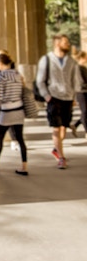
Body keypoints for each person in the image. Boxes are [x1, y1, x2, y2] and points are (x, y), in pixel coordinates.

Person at [36, 34, 81, 168]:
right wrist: (46, 96)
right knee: (56, 128)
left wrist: (74, 96)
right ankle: (61, 157)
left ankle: (57, 149)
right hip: (53, 98)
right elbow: (40, 80)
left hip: (67, 98)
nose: (68, 45)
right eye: (65, 42)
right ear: (57, 44)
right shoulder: (46, 59)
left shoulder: (71, 61)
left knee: (63, 128)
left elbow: (75, 80)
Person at [0, 52, 28, 175]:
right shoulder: (18, 74)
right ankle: (24, 166)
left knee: (0, 137)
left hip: (7, 112)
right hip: (19, 110)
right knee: (20, 139)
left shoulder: (1, 76)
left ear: (1, 63)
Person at [71, 50, 87, 138]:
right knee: (84, 111)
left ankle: (75, 125)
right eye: (86, 57)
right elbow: (81, 82)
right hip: (81, 92)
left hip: (85, 91)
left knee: (86, 112)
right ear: (82, 57)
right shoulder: (78, 67)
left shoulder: (83, 67)